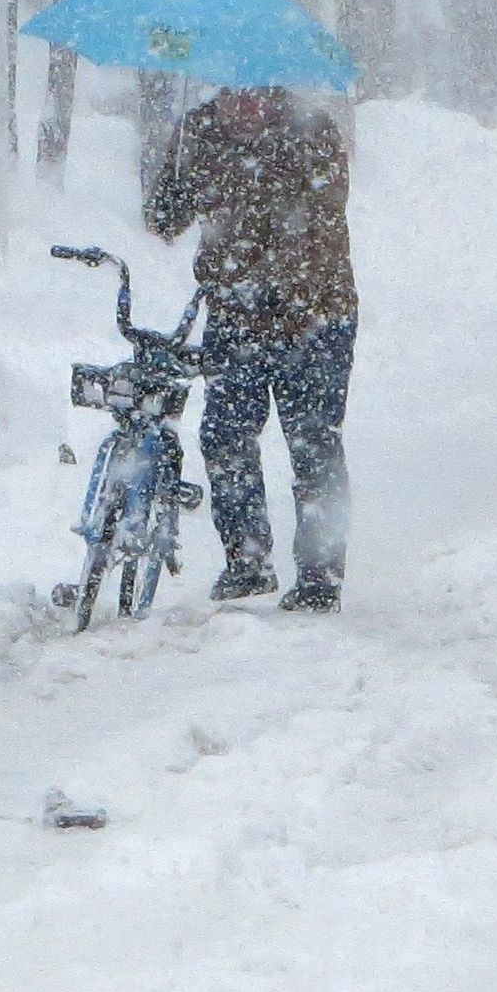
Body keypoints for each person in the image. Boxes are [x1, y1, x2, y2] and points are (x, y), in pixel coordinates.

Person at [145, 84, 357, 612]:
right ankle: (246, 561)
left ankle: (319, 575)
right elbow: (164, 220)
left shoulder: (311, 131)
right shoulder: (198, 130)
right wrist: (173, 186)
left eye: (253, 96)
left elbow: (323, 219)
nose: (240, 106)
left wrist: (273, 277)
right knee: (224, 436)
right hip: (236, 314)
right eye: (230, 96)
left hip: (313, 315)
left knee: (312, 442)